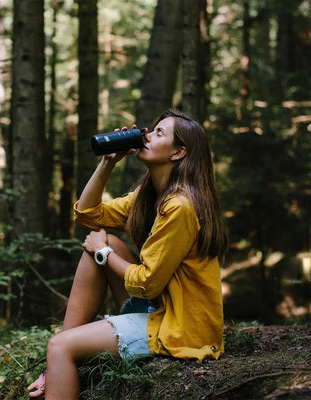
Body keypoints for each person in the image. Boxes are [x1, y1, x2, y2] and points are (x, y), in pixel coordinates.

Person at [28, 109, 229, 399]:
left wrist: (105, 252)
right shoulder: (150, 196)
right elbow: (88, 214)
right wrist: (108, 162)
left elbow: (146, 284)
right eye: (151, 129)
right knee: (102, 241)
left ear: (178, 152)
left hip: (179, 326)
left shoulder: (180, 207)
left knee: (60, 346)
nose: (147, 134)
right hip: (158, 305)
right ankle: (59, 360)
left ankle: (60, 354)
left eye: (159, 133)